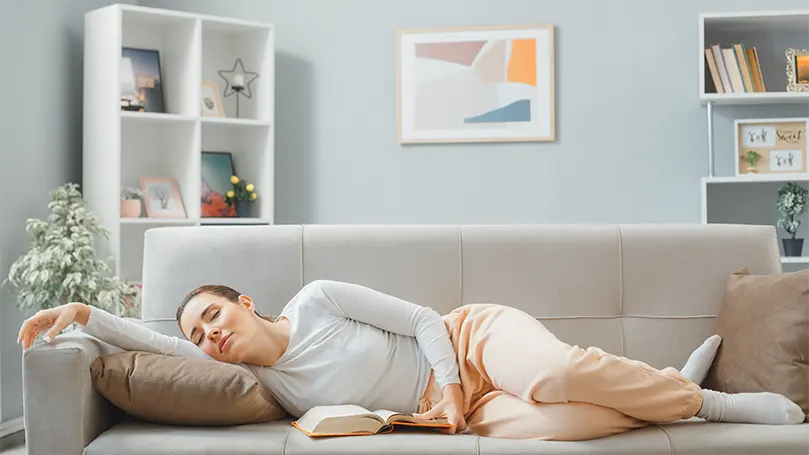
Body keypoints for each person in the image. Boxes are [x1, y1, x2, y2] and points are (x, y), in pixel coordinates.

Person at [18, 279, 805, 441]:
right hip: (452, 417)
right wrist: (82, 314)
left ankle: (713, 403)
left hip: (469, 341)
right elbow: (151, 345)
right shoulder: (257, 383)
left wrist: (456, 384)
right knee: (562, 425)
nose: (207, 335)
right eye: (196, 331)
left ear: (246, 303)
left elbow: (428, 317)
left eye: (214, 315)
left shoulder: (317, 299)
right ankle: (676, 382)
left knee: (555, 372)